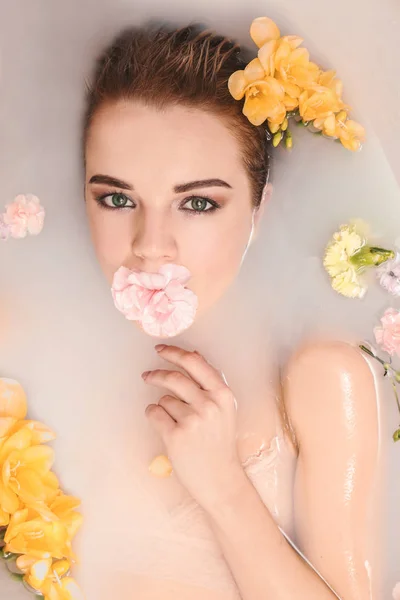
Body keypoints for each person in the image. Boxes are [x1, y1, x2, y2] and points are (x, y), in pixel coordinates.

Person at [83, 21, 380, 600]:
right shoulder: (29, 343)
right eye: (116, 199)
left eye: (197, 203)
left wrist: (222, 485)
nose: (150, 243)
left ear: (258, 211)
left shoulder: (317, 376)